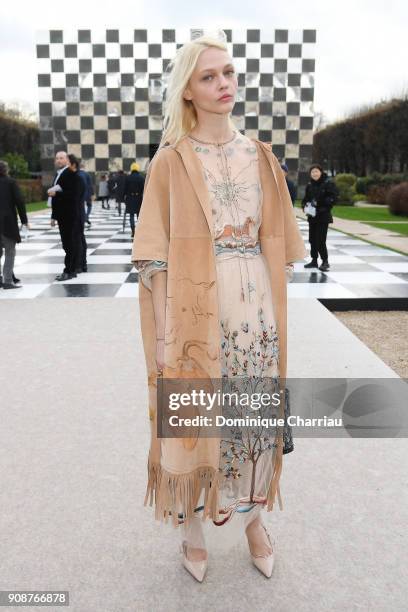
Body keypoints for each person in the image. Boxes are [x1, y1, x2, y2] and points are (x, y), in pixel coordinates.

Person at [131, 33, 306, 583]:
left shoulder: (260, 155)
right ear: (187, 91)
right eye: (208, 77)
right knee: (192, 415)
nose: (223, 84)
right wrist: (162, 330)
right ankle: (191, 526)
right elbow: (152, 252)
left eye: (227, 72)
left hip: (254, 309)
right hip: (193, 308)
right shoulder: (171, 161)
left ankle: (253, 520)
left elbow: (280, 241)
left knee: (251, 416)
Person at [48, 150, 82, 280]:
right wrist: (53, 216)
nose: (59, 160)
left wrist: (57, 194)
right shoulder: (59, 175)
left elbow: (74, 195)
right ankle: (71, 269)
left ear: (67, 160)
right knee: (67, 244)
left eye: (61, 158)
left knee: (69, 244)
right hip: (63, 215)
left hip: (69, 216)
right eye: (57, 158)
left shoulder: (70, 174)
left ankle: (69, 270)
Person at [301, 164, 338, 271]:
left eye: (316, 171)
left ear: (321, 172)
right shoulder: (310, 185)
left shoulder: (328, 183)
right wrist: (304, 206)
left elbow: (333, 198)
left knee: (321, 240)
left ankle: (325, 261)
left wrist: (320, 205)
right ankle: (314, 260)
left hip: (323, 217)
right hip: (312, 217)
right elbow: (305, 199)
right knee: (312, 239)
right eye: (312, 172)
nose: (314, 174)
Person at [0, 160, 29, 289]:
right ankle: (7, 280)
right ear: (6, 170)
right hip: (7, 223)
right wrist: (24, 220)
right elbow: (19, 202)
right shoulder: (11, 182)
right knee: (10, 252)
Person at [68, 154, 88, 273]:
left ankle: (79, 265)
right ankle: (80, 264)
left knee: (78, 239)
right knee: (78, 239)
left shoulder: (78, 177)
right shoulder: (78, 176)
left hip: (77, 213)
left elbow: (78, 197)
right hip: (76, 212)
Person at [123, 163, 145, 238]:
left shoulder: (128, 178)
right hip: (139, 198)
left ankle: (133, 231)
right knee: (139, 216)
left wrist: (124, 198)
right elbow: (144, 189)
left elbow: (124, 189)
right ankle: (139, 231)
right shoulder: (141, 178)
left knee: (131, 215)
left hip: (130, 198)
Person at [79, 162, 94, 227]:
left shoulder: (77, 174)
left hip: (79, 194)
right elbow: (90, 185)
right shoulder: (87, 174)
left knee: (81, 207)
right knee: (89, 205)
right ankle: (86, 216)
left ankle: (84, 217)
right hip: (87, 193)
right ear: (84, 167)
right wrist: (92, 194)